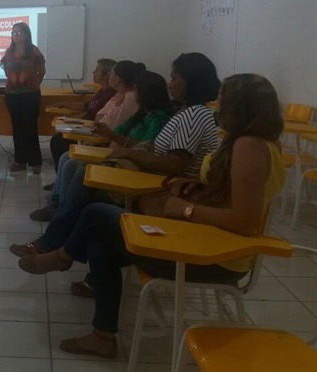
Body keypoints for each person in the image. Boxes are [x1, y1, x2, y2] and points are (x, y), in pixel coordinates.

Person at [19, 73, 285, 358]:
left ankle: (62, 257)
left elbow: (245, 221)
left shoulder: (249, 147)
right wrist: (199, 184)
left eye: (223, 102)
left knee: (96, 212)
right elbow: (233, 193)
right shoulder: (253, 143)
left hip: (215, 258)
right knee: (100, 240)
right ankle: (102, 336)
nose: (218, 108)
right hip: (206, 240)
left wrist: (187, 209)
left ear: (240, 106)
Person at [13, 52, 221, 258]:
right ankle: (59, 242)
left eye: (174, 79)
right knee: (80, 173)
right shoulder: (188, 112)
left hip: (162, 187)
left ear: (191, 81)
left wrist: (130, 153)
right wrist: (127, 149)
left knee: (85, 181)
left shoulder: (194, 115)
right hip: (152, 176)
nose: (170, 84)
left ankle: (55, 244)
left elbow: (173, 164)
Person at [30, 60, 143, 222]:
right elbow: (99, 115)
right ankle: (57, 199)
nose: (93, 72)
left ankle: (59, 205)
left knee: (66, 156)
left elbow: (109, 124)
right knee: (64, 153)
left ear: (117, 78)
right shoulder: (116, 95)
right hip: (99, 134)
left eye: (110, 73)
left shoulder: (128, 98)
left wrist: (92, 122)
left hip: (106, 143)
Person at [47, 58, 117, 176]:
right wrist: (64, 104)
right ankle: (61, 177)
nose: (93, 72)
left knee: (58, 141)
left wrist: (73, 121)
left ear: (106, 75)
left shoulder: (110, 93)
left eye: (97, 70)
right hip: (86, 126)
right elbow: (86, 106)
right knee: (58, 138)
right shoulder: (102, 90)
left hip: (91, 131)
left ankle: (62, 177)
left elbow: (94, 116)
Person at [0, 22, 46, 174]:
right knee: (17, 127)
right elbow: (6, 70)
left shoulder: (33, 51)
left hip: (30, 94)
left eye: (19, 32)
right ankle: (20, 160)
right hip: (12, 94)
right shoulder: (9, 51)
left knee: (30, 126)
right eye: (13, 33)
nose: (16, 35)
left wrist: (34, 84)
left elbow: (42, 70)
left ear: (26, 34)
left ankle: (35, 161)